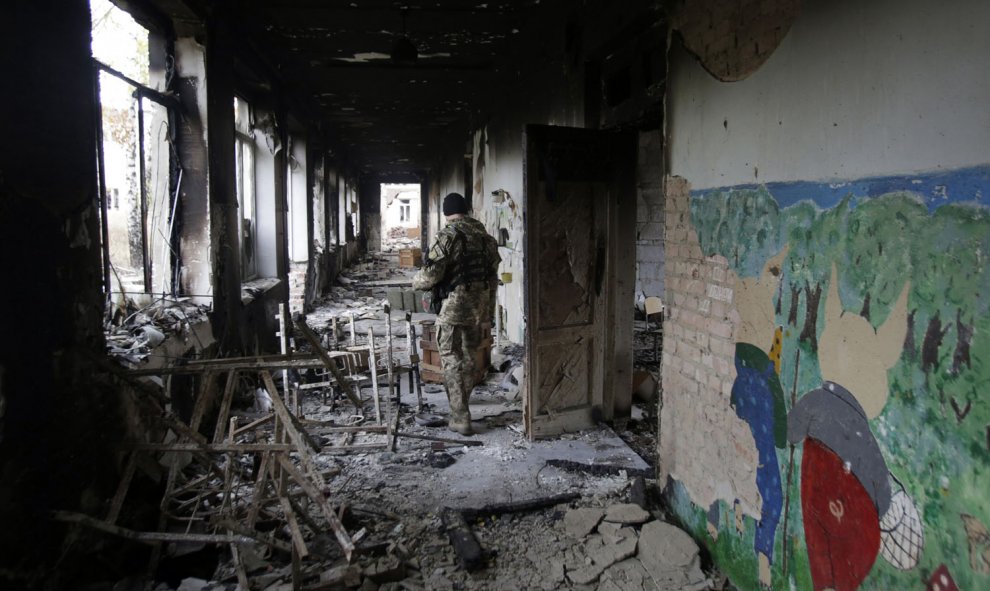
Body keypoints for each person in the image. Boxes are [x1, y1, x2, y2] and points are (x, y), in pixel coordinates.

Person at [412, 192, 500, 435]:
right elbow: (492, 276)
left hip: (454, 306)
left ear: (446, 213)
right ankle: (462, 401)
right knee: (472, 357)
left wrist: (415, 282)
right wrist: (489, 310)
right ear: (466, 210)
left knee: (451, 358)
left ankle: (460, 417)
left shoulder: (447, 236)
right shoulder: (486, 238)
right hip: (479, 305)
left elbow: (431, 275)